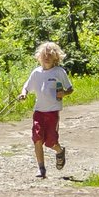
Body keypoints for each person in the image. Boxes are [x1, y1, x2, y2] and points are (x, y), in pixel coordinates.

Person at [19, 41, 73, 178]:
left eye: (50, 55)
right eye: (44, 55)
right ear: (39, 57)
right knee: (37, 138)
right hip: (38, 112)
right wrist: (23, 94)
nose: (47, 57)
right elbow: (26, 86)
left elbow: (70, 89)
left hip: (52, 112)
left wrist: (64, 93)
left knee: (51, 141)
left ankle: (59, 151)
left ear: (56, 57)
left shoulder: (59, 72)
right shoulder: (36, 72)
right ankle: (41, 168)